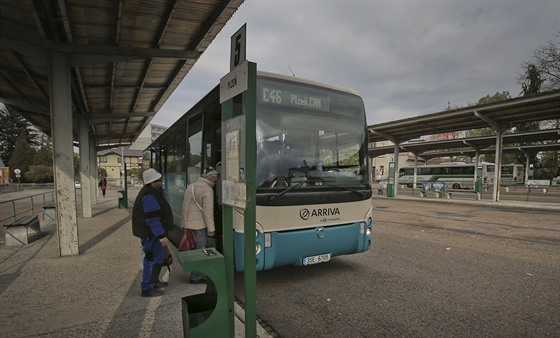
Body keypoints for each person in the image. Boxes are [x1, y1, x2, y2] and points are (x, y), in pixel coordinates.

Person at [132, 168, 173, 297]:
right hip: (151, 235)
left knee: (158, 259)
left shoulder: (153, 193)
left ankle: (154, 282)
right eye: (159, 180)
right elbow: (153, 219)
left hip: (153, 234)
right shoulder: (149, 196)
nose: (161, 182)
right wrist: (161, 235)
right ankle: (147, 288)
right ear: (152, 182)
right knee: (150, 259)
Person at [181, 167, 220, 284]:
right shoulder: (207, 190)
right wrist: (211, 229)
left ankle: (197, 273)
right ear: (211, 177)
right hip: (199, 224)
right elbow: (208, 212)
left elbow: (185, 206)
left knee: (193, 249)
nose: (216, 181)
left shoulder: (191, 186)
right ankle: (195, 276)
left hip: (189, 223)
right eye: (216, 179)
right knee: (201, 250)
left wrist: (185, 222)